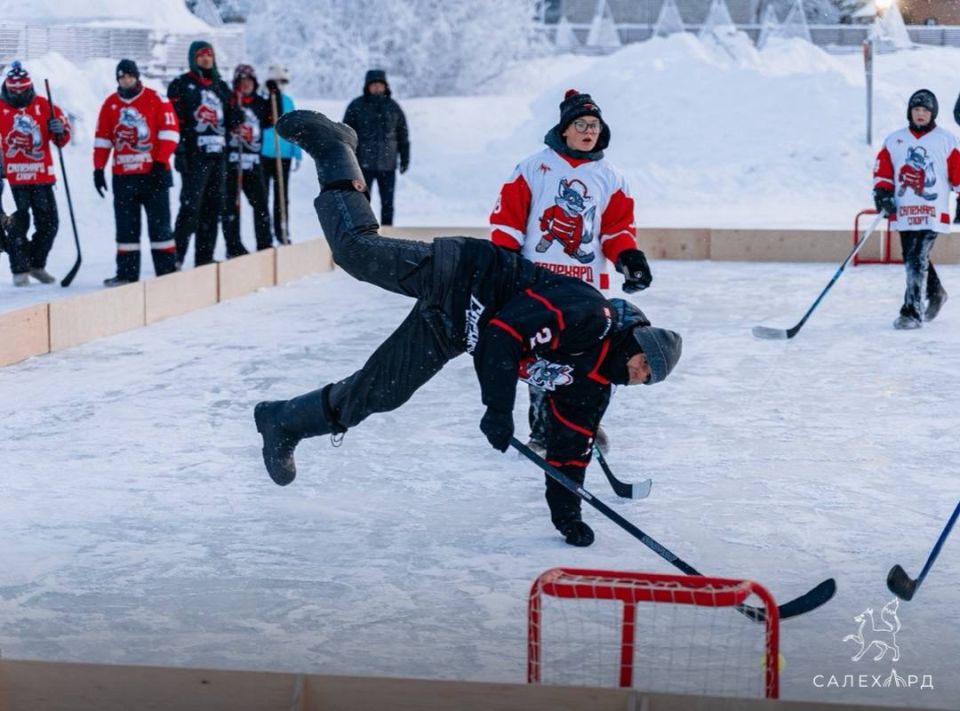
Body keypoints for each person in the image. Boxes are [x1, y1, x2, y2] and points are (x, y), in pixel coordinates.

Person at [254, 111, 682, 548]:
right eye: (644, 362)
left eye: (647, 377)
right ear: (634, 340)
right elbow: (503, 335)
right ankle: (334, 149)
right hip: (464, 275)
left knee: (380, 392)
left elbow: (570, 449)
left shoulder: (593, 385)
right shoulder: (590, 315)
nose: (639, 374)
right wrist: (498, 409)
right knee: (356, 251)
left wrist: (566, 517)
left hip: (457, 326)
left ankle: (283, 421)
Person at [490, 89, 651, 456]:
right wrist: (503, 264)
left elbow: (616, 230)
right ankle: (543, 430)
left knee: (591, 357)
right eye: (581, 124)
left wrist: (630, 259)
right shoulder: (533, 167)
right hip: (538, 281)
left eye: (594, 125)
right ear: (564, 129)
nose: (588, 131)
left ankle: (585, 422)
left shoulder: (611, 177)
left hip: (585, 287)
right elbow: (508, 221)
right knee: (543, 357)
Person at [874, 89, 960, 329]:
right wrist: (882, 194)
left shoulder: (946, 140)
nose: (920, 114)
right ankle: (937, 293)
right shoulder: (894, 139)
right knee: (912, 257)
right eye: (916, 109)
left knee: (916, 256)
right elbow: (883, 171)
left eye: (925, 110)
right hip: (904, 209)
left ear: (933, 113)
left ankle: (912, 312)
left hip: (932, 210)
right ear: (909, 112)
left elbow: (958, 173)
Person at [93, 59, 180, 286]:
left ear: (137, 76)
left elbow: (170, 132)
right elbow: (103, 139)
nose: (126, 80)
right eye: (122, 77)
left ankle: (167, 269)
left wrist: (160, 162)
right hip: (124, 176)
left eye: (130, 76)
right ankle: (127, 274)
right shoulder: (110, 104)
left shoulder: (156, 98)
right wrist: (98, 169)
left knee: (160, 226)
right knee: (126, 229)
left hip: (154, 174)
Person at [168, 41, 240, 266]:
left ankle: (204, 257)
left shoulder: (221, 87)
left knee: (214, 206)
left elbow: (232, 121)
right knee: (190, 206)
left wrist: (236, 109)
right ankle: (176, 256)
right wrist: (179, 151)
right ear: (193, 59)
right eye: (201, 55)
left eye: (209, 55)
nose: (206, 59)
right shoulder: (181, 85)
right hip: (194, 156)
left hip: (219, 157)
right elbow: (173, 121)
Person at [0, 61, 70, 286]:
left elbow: (62, 138)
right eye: (14, 89)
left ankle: (36, 264)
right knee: (17, 224)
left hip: (41, 176)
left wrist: (58, 129)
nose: (19, 93)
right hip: (13, 178)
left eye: (23, 89)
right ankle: (19, 270)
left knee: (50, 224)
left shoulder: (45, 105)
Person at [342, 69, 410, 225]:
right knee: (361, 203)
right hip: (362, 166)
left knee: (388, 204)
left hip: (388, 165)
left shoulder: (394, 108)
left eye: (380, 85)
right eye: (374, 85)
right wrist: (347, 159)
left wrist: (405, 157)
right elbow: (346, 134)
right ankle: (363, 235)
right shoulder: (356, 105)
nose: (377, 88)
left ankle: (388, 234)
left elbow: (403, 135)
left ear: (385, 86)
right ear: (367, 86)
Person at [223, 64, 273, 253]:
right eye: (241, 81)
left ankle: (264, 242)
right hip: (232, 162)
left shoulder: (260, 102)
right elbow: (222, 123)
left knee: (260, 203)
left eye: (248, 81)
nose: (245, 85)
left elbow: (273, 119)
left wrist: (274, 96)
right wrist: (231, 118)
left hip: (253, 162)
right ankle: (233, 245)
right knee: (231, 206)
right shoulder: (230, 101)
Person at [261, 64, 301, 244]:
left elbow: (296, 128)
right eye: (276, 81)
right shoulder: (263, 100)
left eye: (283, 82)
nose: (280, 85)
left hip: (283, 155)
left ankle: (282, 231)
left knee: (281, 196)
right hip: (264, 155)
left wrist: (297, 152)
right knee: (263, 195)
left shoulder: (288, 102)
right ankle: (265, 234)